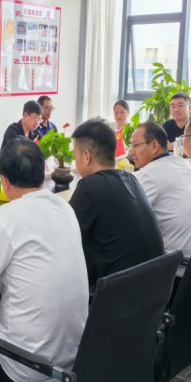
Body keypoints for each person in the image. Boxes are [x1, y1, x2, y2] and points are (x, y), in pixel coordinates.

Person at [0, 138, 87, 382]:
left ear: (4, 181)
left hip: (26, 366)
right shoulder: (65, 208)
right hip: (71, 360)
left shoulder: (8, 216)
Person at [68, 119, 164, 286]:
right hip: (155, 288)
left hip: (117, 293)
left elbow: (64, 238)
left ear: (86, 156)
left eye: (76, 155)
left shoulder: (90, 187)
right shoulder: (131, 179)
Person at [130, 122, 191, 258]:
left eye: (136, 145)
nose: (131, 152)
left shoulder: (149, 174)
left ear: (154, 146)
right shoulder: (182, 163)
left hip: (181, 264)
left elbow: (127, 216)